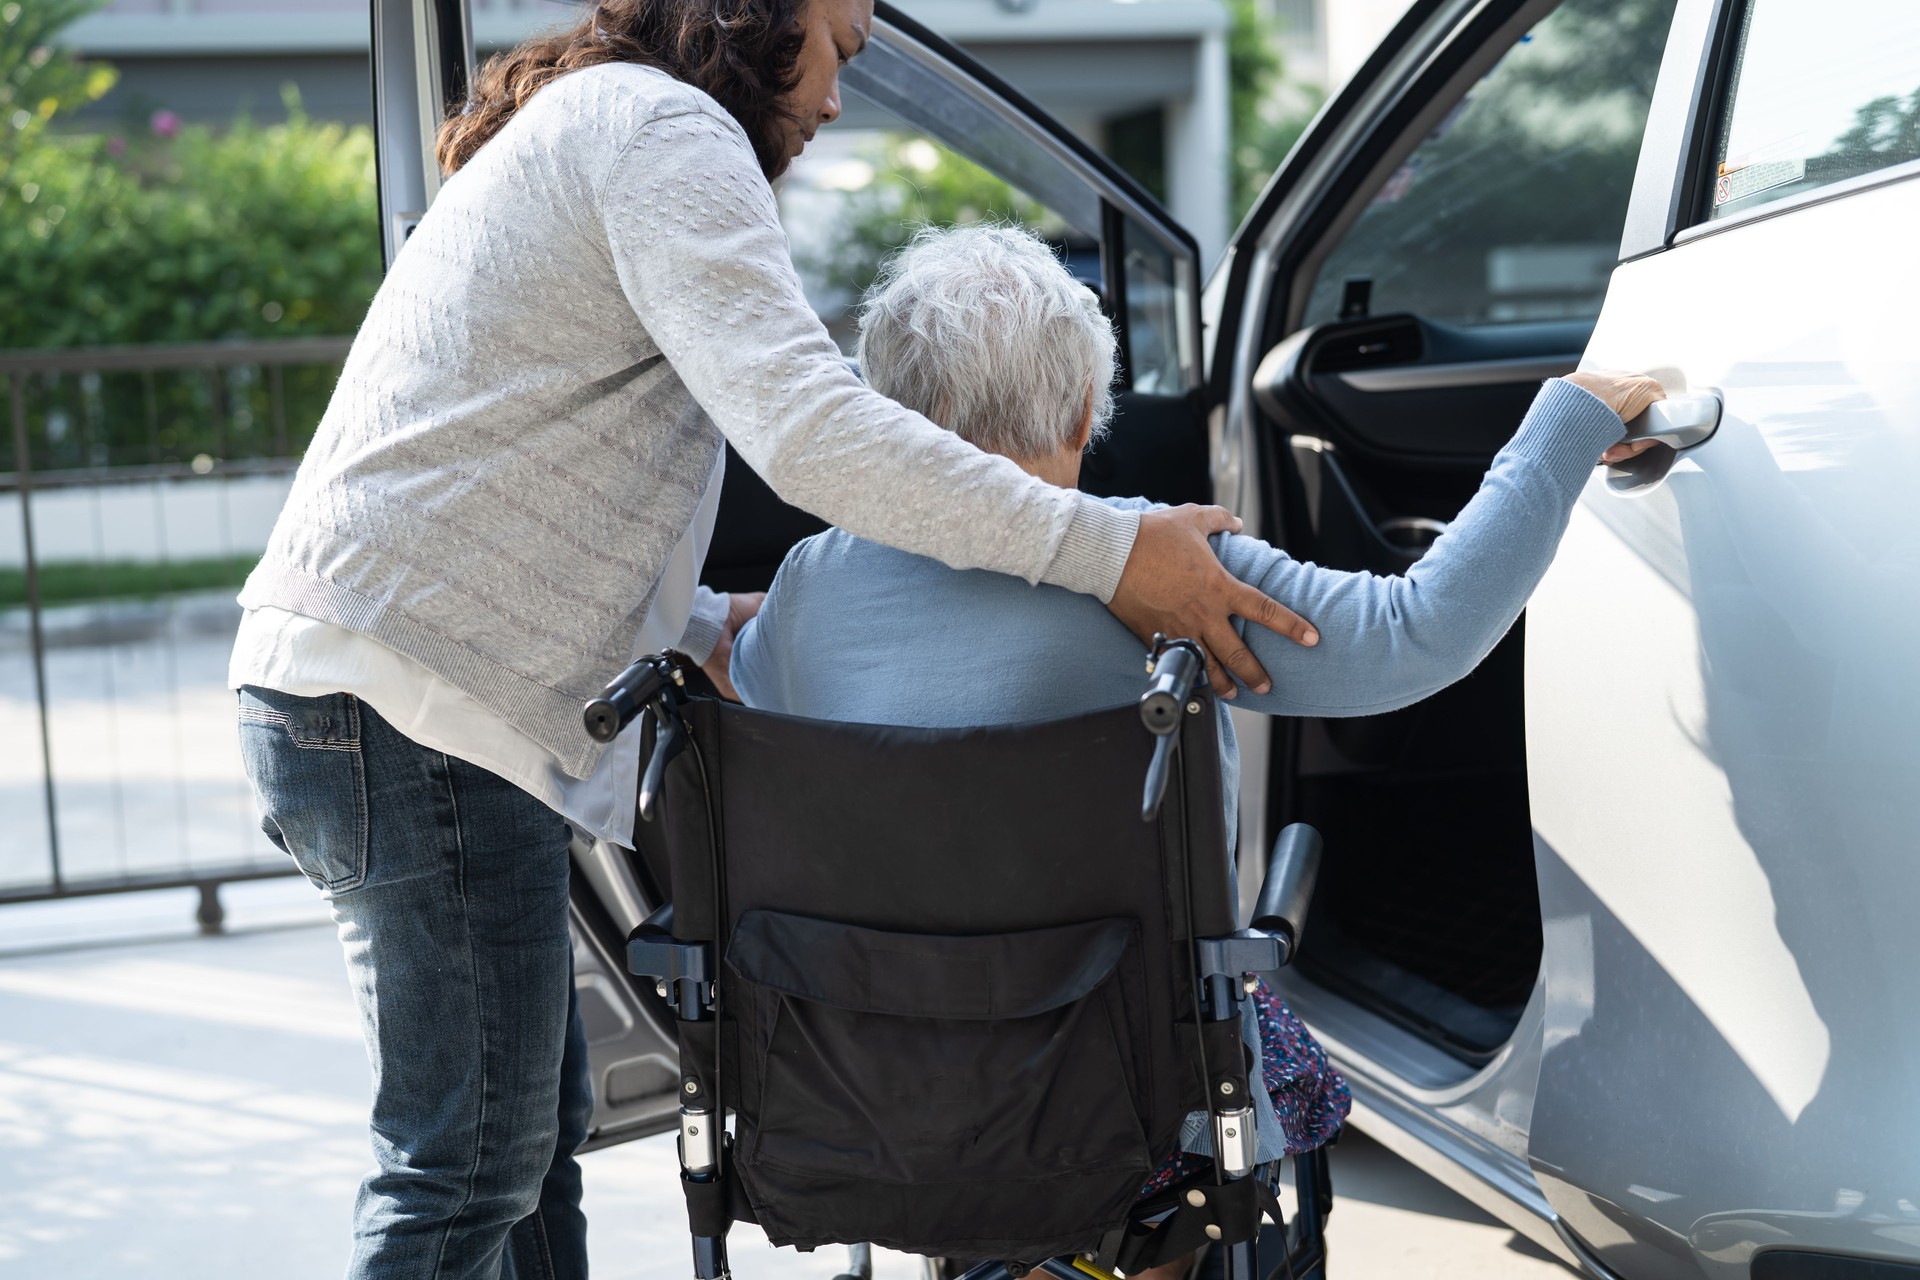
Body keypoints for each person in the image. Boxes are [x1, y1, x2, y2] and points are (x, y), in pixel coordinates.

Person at [228, 1, 1326, 1276]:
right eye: (845, 47)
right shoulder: (664, 125)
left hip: (387, 693)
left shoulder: (610, 120)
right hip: (411, 711)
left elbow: (533, 451)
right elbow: (809, 432)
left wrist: (700, 620)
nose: (838, 97)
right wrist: (1112, 547)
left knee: (525, 1152)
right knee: (464, 1166)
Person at [729, 224, 1665, 1279]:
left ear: (888, 411)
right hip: (1132, 1106)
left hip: (878, 1086)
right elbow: (1421, 631)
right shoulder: (1160, 572)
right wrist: (1568, 419)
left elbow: (741, 684)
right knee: (1275, 1046)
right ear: (1087, 410)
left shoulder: (812, 585)